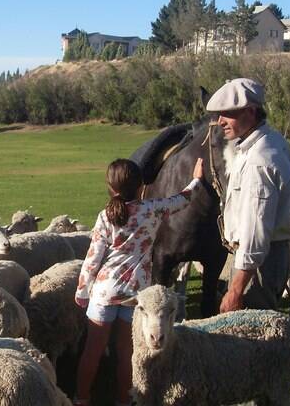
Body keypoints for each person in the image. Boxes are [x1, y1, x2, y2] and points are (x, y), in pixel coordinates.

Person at [73, 157, 204, 406]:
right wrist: (197, 179)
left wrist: (82, 289)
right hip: (136, 295)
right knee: (128, 354)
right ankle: (124, 400)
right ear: (141, 185)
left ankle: (82, 399)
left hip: (104, 292)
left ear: (110, 188)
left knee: (93, 351)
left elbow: (93, 256)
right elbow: (184, 198)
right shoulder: (153, 209)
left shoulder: (105, 216)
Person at [206, 78, 290, 313]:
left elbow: (256, 230)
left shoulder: (259, 160)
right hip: (257, 260)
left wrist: (236, 290)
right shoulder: (269, 143)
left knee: (251, 341)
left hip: (257, 266)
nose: (220, 121)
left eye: (228, 114)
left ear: (251, 111)